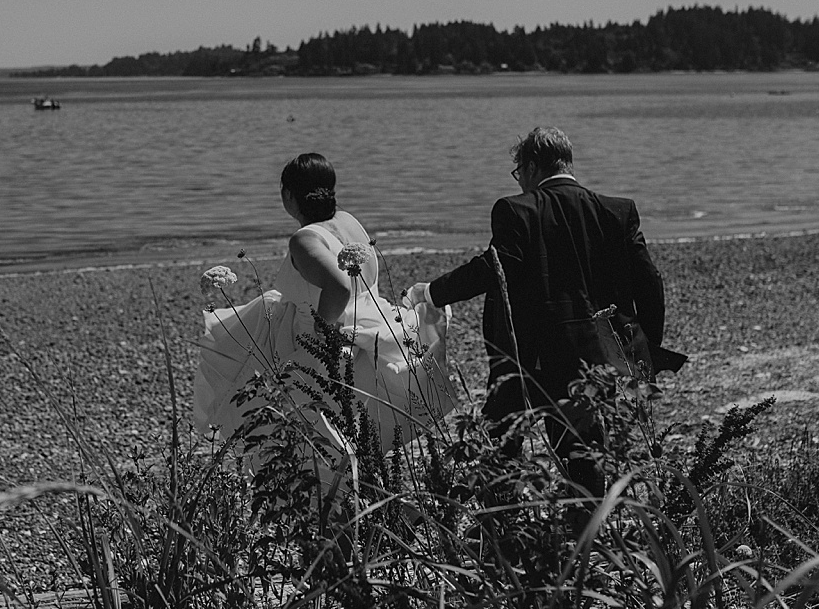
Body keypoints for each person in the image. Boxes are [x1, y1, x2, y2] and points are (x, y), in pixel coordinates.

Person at [405, 126, 677, 503]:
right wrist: (644, 353)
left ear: (531, 166)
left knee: (501, 442)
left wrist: (432, 292)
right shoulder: (618, 211)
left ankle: (500, 530)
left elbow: (495, 268)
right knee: (583, 451)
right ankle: (585, 535)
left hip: (528, 356)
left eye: (519, 174)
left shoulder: (516, 210)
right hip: (596, 356)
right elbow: (651, 282)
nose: (519, 184)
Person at [195, 153, 456, 460]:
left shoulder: (304, 239)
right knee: (348, 434)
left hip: (321, 339)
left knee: (305, 432)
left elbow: (340, 286)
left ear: (288, 195)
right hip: (373, 319)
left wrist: (322, 328)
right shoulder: (348, 222)